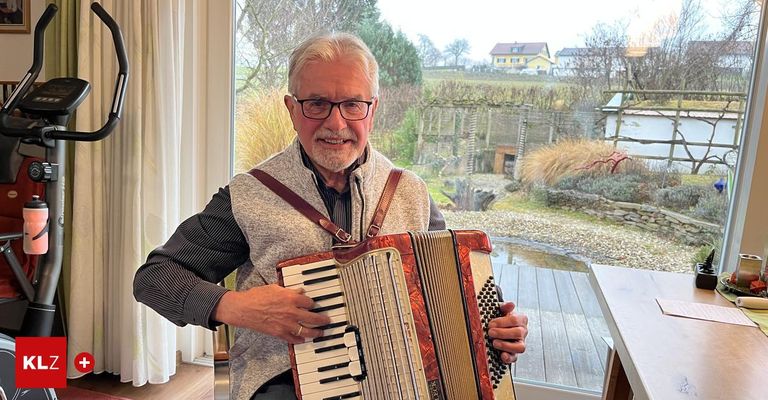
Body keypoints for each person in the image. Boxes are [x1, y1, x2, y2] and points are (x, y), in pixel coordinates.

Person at [133, 32, 528, 400]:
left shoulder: (410, 192)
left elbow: (457, 292)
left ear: (373, 109)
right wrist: (238, 307)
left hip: (404, 380)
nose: (335, 124)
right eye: (317, 104)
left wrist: (492, 329)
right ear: (292, 108)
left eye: (353, 105)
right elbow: (154, 279)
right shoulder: (251, 194)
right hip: (283, 379)